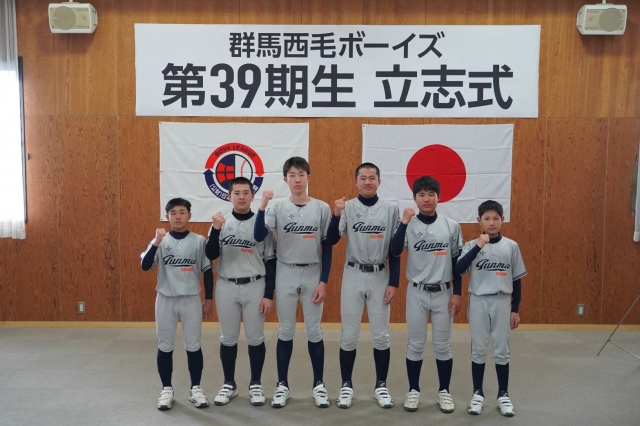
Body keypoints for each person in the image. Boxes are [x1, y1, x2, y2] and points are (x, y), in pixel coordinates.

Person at [254, 157, 333, 408]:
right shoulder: (277, 208)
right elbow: (259, 235)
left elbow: (328, 246)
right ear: (285, 179)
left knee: (314, 330)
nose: (297, 179)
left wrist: (324, 280)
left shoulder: (321, 208)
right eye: (291, 175)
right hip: (285, 271)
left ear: (308, 177)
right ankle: (282, 385)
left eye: (301, 174)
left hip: (312, 272)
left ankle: (318, 384)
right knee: (286, 330)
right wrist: (262, 207)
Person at [327, 162, 400, 409]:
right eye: (363, 178)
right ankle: (346, 385)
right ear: (356, 182)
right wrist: (335, 215)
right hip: (354, 274)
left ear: (379, 181)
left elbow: (395, 250)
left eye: (372, 178)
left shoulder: (390, 209)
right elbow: (332, 239)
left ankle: (381, 386)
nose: (367, 182)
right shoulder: (347, 207)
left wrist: (394, 282)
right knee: (349, 335)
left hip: (380, 274)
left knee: (381, 335)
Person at [389, 176, 462, 413]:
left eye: (431, 194)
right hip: (417, 292)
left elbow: (457, 262)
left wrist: (458, 293)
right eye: (421, 194)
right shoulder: (408, 225)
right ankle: (413, 390)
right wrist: (403, 222)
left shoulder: (451, 225)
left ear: (438, 197)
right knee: (415, 344)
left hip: (444, 292)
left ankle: (444, 392)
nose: (426, 198)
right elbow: (394, 250)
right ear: (414, 198)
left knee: (443, 346)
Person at [206, 177, 277, 407]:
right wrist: (216, 230)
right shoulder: (220, 222)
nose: (241, 197)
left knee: (255, 337)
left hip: (255, 285)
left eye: (246, 192)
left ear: (253, 196)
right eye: (236, 193)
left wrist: (268, 294)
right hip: (226, 285)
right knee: (228, 337)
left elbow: (271, 262)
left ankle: (255, 383)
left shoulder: (262, 225)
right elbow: (211, 254)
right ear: (229, 196)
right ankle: (229, 383)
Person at [454, 200, 526, 417]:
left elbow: (517, 280)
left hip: (502, 301)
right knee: (478, 348)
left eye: (496, 218)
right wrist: (479, 246)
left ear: (502, 220)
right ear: (479, 221)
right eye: (487, 218)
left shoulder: (511, 246)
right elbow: (458, 269)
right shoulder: (471, 245)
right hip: (478, 300)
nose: (491, 222)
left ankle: (503, 394)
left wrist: (515, 308)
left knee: (501, 350)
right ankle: (477, 393)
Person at [140, 198, 212, 410]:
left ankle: (195, 388)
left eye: (182, 212)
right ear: (167, 217)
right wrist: (156, 241)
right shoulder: (159, 241)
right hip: (166, 298)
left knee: (193, 344)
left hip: (191, 298)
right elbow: (145, 265)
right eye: (173, 213)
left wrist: (208, 300)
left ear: (190, 215)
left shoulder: (199, 241)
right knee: (165, 345)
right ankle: (166, 389)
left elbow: (207, 271)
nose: (178, 216)